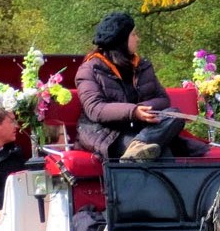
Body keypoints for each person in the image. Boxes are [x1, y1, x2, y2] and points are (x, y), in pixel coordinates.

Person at [75, 11, 185, 161]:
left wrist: (142, 110)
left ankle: (140, 145)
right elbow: (95, 109)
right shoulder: (89, 70)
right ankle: (138, 148)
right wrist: (133, 112)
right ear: (121, 40)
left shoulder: (142, 65)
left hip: (142, 128)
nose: (137, 39)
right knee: (162, 155)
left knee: (174, 115)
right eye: (133, 35)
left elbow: (162, 99)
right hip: (107, 133)